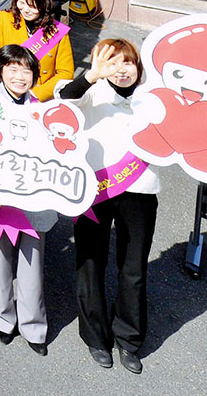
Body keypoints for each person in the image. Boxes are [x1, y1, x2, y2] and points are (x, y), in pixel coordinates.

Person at [59, 38, 158, 373]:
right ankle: (95, 337)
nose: (121, 69)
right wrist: (92, 74)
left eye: (127, 62)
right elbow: (64, 100)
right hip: (94, 190)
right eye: (112, 63)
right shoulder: (92, 91)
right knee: (90, 263)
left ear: (138, 67)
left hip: (140, 191)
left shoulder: (151, 98)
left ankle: (129, 339)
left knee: (133, 268)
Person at [0, 44, 57, 355]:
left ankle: (33, 326)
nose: (20, 76)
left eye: (26, 70)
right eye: (12, 69)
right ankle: (1, 318)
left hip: (32, 197)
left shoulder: (41, 109)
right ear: (0, 71)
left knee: (32, 262)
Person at [0, 0, 73, 100]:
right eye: (21, 3)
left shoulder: (57, 31)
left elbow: (66, 73)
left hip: (38, 96)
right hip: (7, 88)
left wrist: (38, 94)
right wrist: (9, 81)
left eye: (32, 6)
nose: (26, 10)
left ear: (44, 6)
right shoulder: (4, 18)